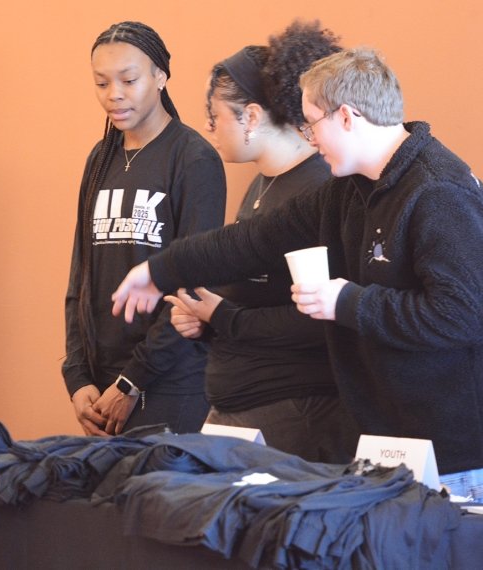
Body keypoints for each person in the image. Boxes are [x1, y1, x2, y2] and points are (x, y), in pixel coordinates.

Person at [112, 48, 483, 505]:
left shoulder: (439, 191)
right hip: (390, 447)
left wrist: (346, 301)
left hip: (461, 461)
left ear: (347, 117)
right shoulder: (347, 191)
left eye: (311, 123)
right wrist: (160, 270)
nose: (308, 137)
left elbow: (461, 316)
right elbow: (254, 240)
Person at [166, 21, 357, 463]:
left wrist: (222, 315)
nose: (208, 126)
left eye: (214, 114)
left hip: (295, 409)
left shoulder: (316, 190)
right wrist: (203, 321)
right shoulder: (261, 185)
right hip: (240, 404)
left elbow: (320, 319)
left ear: (251, 116)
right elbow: (253, 296)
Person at [63, 21, 226, 437]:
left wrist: (132, 381)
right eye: (102, 83)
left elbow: (193, 284)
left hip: (169, 382)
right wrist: (77, 376)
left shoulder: (194, 159)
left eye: (129, 80)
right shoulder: (100, 158)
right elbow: (81, 273)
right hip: (101, 384)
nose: (114, 94)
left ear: (160, 77)